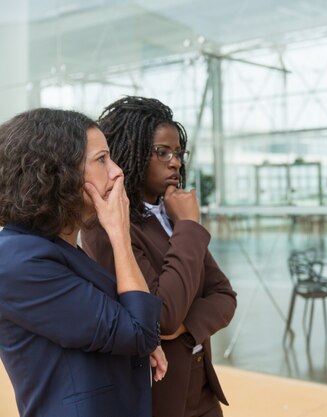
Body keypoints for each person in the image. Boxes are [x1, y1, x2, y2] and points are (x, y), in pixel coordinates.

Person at [0, 108, 167, 417]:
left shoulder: (58, 249)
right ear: (57, 171)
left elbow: (128, 327)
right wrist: (119, 233)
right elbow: (140, 331)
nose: (117, 172)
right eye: (102, 159)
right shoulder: (17, 260)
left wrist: (138, 342)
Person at [81, 96, 237, 417]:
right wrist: (190, 225)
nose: (175, 162)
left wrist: (186, 327)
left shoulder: (172, 213)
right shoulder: (108, 226)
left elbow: (225, 296)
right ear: (131, 152)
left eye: (178, 153)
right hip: (158, 396)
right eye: (162, 152)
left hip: (202, 390)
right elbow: (162, 315)